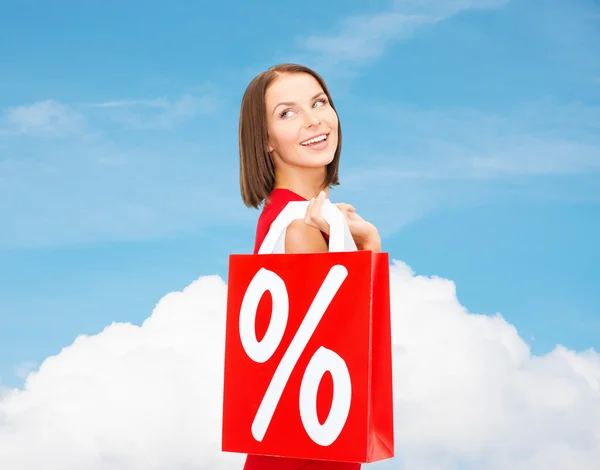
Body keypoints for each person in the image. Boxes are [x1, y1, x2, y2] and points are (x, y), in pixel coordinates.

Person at [238, 63, 382, 470]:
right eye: (287, 112)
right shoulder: (301, 229)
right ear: (264, 140)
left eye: (319, 102)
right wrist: (368, 247)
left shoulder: (280, 217)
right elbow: (340, 367)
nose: (313, 119)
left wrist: (362, 243)